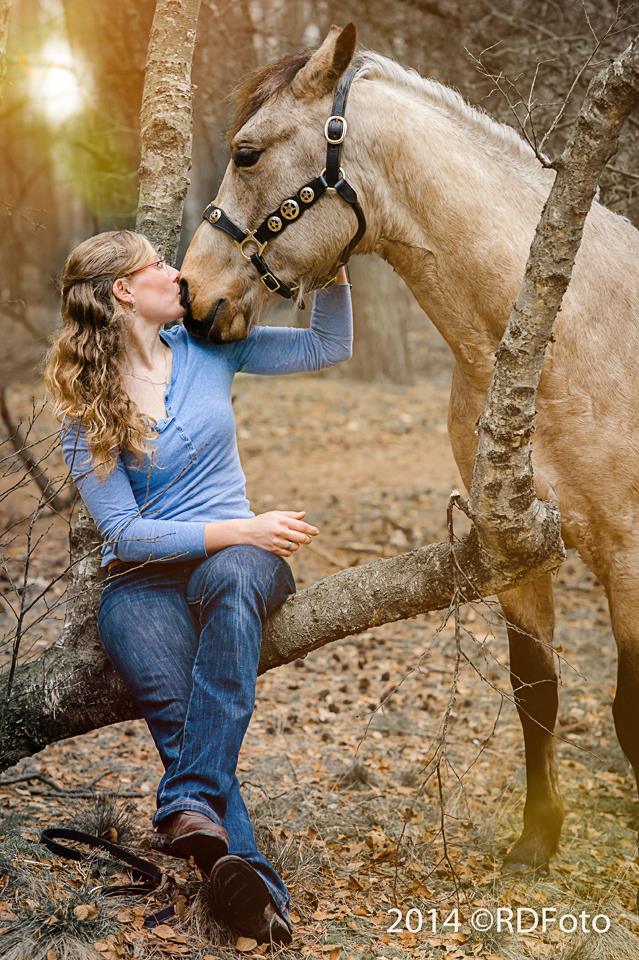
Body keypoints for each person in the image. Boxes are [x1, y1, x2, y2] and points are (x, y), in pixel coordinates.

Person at [44, 229, 353, 946]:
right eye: (156, 263)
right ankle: (246, 887)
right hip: (141, 587)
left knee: (235, 575)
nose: (175, 271)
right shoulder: (86, 404)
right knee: (182, 718)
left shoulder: (213, 345)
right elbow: (123, 532)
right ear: (123, 290)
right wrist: (238, 528)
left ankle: (186, 801)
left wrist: (334, 276)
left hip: (242, 565)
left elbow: (326, 347)